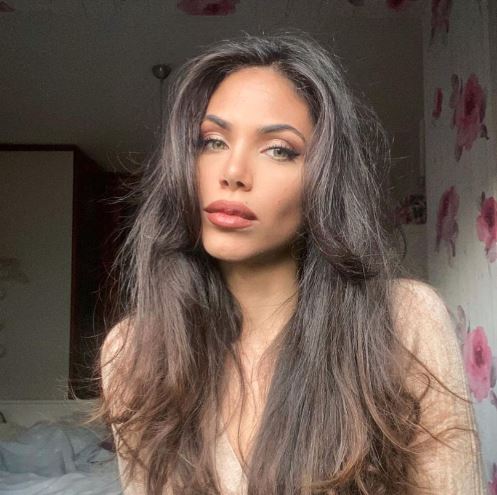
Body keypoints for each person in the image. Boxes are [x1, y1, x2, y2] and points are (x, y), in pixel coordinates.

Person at [91, 30, 486, 494]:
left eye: (279, 149)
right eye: (211, 142)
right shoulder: (130, 353)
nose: (233, 173)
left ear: (324, 182)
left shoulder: (404, 321)